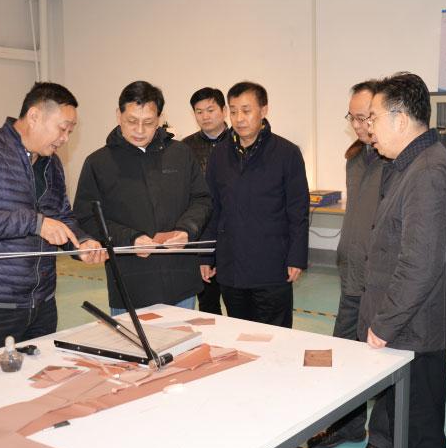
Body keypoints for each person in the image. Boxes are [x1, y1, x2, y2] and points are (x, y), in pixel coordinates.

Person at [359, 73, 446, 448]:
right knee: (403, 418)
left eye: (374, 118)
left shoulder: (427, 173)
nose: (368, 127)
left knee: (420, 423)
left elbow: (420, 263)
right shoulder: (409, 164)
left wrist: (383, 324)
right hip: (405, 325)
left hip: (416, 329)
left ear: (400, 119)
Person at [0, 81, 105, 357]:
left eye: (70, 131)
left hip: (42, 301)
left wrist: (81, 242)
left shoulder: (51, 162)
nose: (65, 138)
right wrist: (36, 223)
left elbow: (61, 216)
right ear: (34, 116)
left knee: (41, 378)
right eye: (62, 128)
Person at [306, 80, 393, 448]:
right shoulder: (356, 160)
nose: (358, 126)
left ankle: (381, 438)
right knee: (344, 358)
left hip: (382, 284)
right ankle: (349, 426)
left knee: (381, 364)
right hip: (352, 277)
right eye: (352, 118)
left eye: (364, 118)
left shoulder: (395, 162)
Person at [73, 80, 211, 314]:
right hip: (131, 285)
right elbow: (87, 218)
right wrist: (131, 239)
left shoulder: (180, 154)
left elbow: (202, 199)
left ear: (159, 118)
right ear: (118, 115)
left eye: (148, 122)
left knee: (184, 339)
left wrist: (187, 230)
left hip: (181, 281)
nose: (139, 130)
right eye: (131, 121)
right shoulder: (99, 163)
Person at [200, 81, 309, 328]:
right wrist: (206, 255)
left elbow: (298, 210)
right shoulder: (219, 155)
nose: (239, 118)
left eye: (246, 110)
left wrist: (296, 257)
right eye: (233, 111)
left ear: (264, 110)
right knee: (239, 334)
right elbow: (212, 209)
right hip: (231, 266)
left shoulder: (287, 153)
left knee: (276, 335)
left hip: (272, 266)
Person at [182, 87, 229, 315]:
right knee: (207, 304)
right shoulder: (184, 148)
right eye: (199, 112)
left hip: (231, 233)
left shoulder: (239, 142)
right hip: (200, 233)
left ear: (224, 111)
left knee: (238, 302)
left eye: (210, 110)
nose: (205, 116)